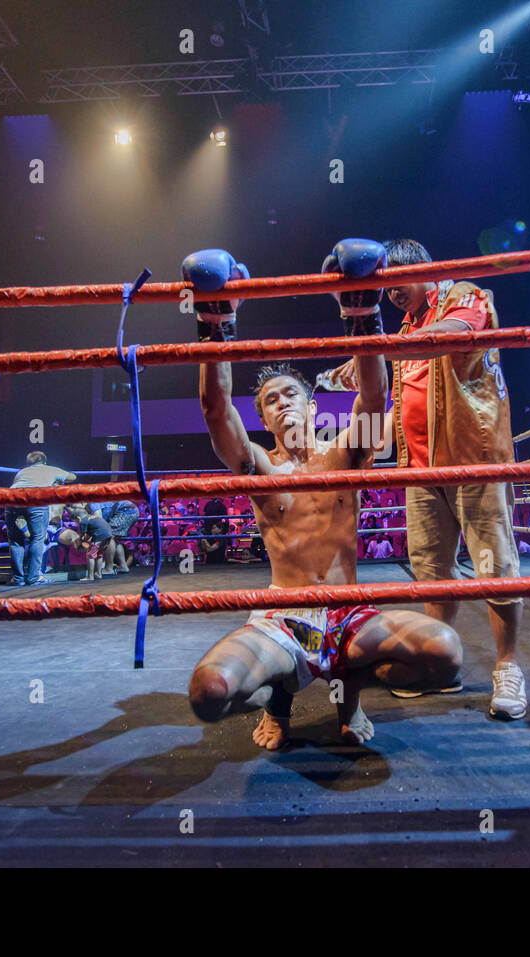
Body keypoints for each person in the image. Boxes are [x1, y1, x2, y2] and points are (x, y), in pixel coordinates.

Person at [183, 243, 463, 750]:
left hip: (351, 617)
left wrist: (361, 310)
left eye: (291, 394)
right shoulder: (258, 465)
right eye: (270, 400)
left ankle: (347, 695)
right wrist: (214, 320)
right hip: (284, 618)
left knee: (445, 653)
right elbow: (214, 409)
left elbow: (376, 398)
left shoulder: (348, 454)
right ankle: (280, 697)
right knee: (210, 691)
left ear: (312, 407)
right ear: (263, 420)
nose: (282, 402)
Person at [322, 238, 526, 718]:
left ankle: (508, 668)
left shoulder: (462, 294)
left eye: (396, 281)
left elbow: (455, 333)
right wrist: (355, 450)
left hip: (474, 460)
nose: (391, 294)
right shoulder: (407, 328)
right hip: (419, 468)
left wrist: (376, 347)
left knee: (494, 567)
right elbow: (389, 403)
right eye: (384, 287)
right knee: (433, 574)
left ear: (424, 269)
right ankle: (442, 667)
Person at [5, 451, 75, 586]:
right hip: (35, 500)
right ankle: (34, 577)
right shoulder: (50, 469)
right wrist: (56, 479)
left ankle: (18, 579)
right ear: (44, 462)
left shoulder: (21, 472)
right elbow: (72, 476)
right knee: (37, 538)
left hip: (11, 499)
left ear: (28, 463)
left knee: (15, 541)